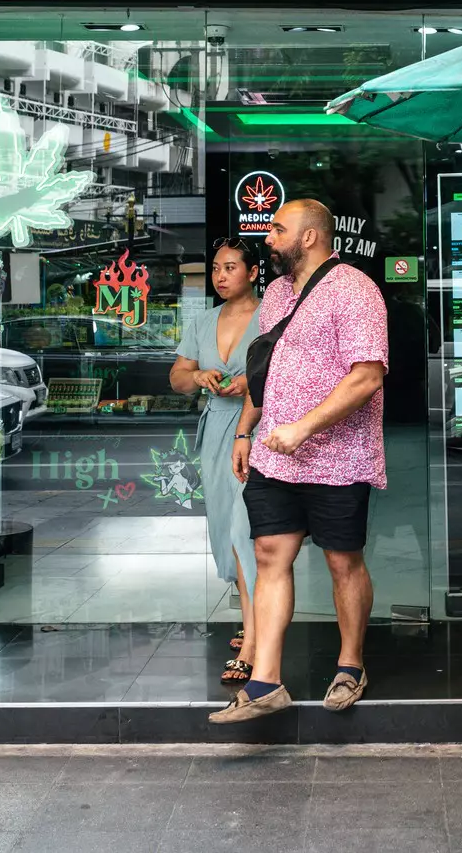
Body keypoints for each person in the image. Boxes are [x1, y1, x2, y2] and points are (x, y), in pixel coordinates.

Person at [209, 199, 388, 723]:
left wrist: (304, 427)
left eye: (277, 229)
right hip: (275, 456)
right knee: (268, 555)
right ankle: (265, 682)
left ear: (309, 237)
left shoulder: (356, 290)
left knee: (342, 561)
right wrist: (246, 430)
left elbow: (367, 376)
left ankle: (351, 665)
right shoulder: (278, 294)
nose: (268, 238)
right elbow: (265, 371)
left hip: (338, 458)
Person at [170, 237, 263, 686]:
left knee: (247, 529)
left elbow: (285, 373)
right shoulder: (204, 321)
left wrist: (250, 382)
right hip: (214, 431)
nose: (220, 276)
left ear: (253, 272)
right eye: (215, 269)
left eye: (230, 267)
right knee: (225, 525)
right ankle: (253, 616)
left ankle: (254, 644)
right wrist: (198, 375)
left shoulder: (272, 317)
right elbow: (178, 378)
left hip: (258, 430)